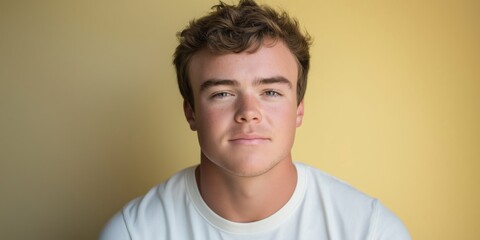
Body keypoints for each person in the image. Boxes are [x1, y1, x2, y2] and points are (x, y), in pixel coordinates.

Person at [99, 0, 411, 239]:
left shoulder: (369, 230)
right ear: (191, 112)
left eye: (271, 92)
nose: (248, 111)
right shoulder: (134, 233)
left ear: (298, 109)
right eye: (222, 93)